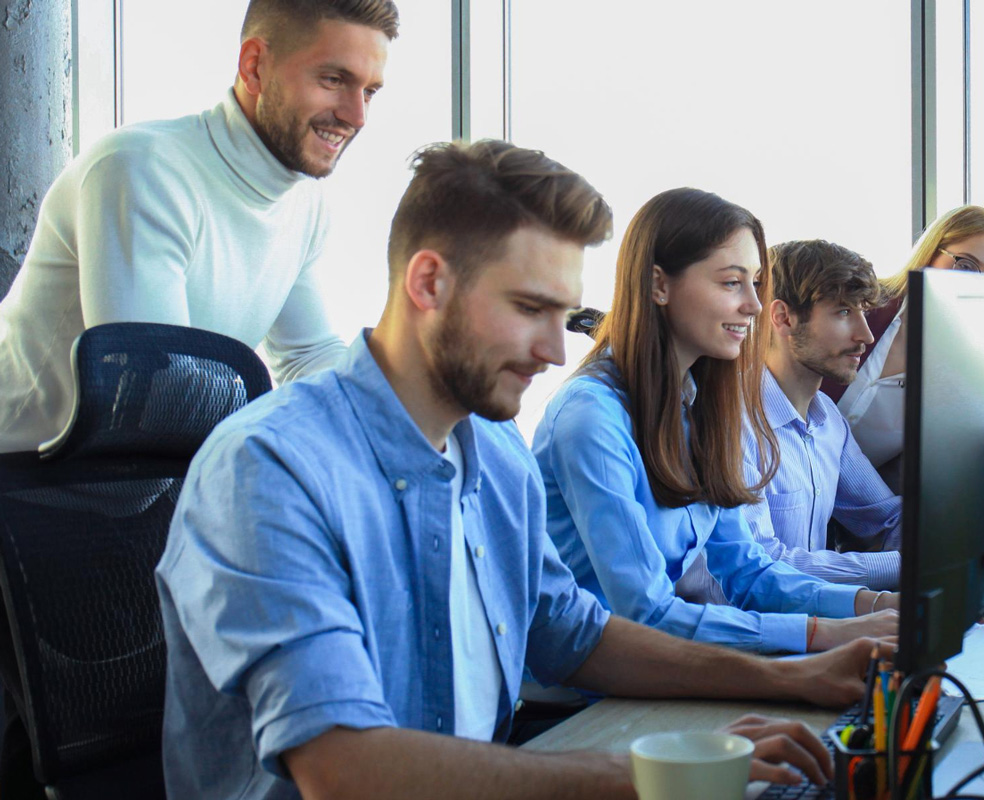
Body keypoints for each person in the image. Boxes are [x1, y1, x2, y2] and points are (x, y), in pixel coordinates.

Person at [156, 140, 893, 800]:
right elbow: (343, 769)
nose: (553, 350)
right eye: (529, 309)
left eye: (562, 313)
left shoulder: (496, 455)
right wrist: (653, 777)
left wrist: (791, 675)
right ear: (428, 283)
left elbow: (572, 631)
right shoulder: (269, 468)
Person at [0, 0, 400, 452]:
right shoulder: (141, 171)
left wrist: (402, 405)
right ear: (254, 68)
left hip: (135, 486)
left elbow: (308, 355)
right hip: (24, 484)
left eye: (369, 91)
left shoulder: (303, 204)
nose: (356, 116)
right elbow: (160, 386)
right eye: (334, 80)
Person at [534, 188, 899, 657]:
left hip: (669, 671)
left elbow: (748, 572)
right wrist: (821, 634)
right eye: (732, 283)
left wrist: (878, 604)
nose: (754, 305)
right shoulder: (592, 418)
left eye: (756, 283)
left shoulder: (702, 405)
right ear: (658, 286)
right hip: (589, 702)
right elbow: (645, 614)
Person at [739, 239, 902, 592]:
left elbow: (889, 518)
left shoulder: (828, 420)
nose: (866, 335)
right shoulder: (736, 422)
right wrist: (913, 565)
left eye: (861, 310)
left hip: (813, 627)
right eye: (843, 312)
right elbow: (766, 565)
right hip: (747, 638)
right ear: (783, 318)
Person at [823, 205, 984, 493]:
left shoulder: (972, 375)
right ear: (930, 254)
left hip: (854, 510)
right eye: (965, 265)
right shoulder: (859, 306)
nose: (975, 285)